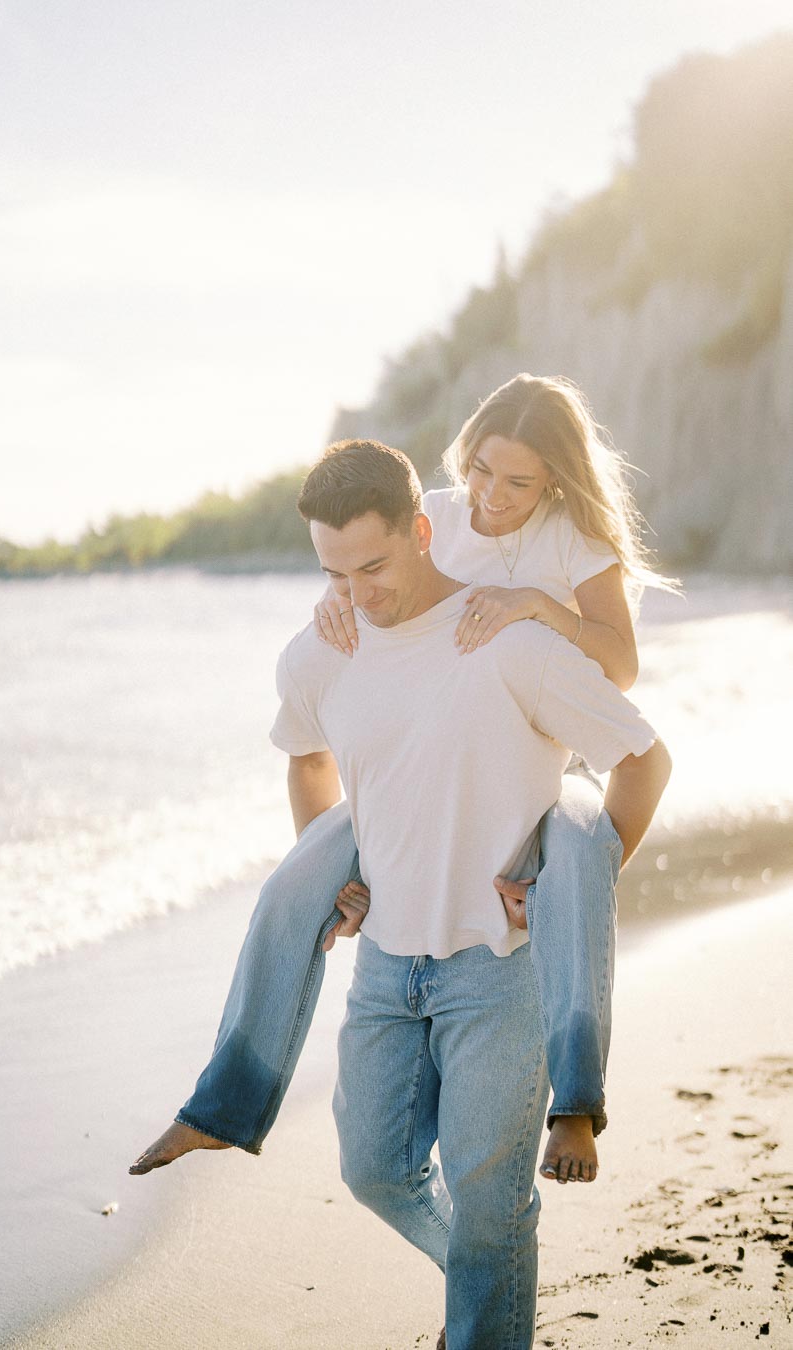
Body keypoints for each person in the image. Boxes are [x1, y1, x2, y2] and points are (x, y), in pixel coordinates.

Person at [130, 375, 674, 1185]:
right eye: (482, 468)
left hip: (545, 752)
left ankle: (577, 1105)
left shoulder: (569, 538)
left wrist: (532, 605)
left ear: (552, 481)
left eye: (517, 482)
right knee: (294, 882)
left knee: (582, 857)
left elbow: (622, 666)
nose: (491, 495)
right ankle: (225, 1102)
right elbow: (370, 559)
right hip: (421, 760)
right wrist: (336, 596)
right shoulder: (443, 513)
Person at [193, 438, 672, 1347]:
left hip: (499, 977)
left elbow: (644, 761)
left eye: (373, 566)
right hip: (385, 972)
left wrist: (577, 888)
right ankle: (493, 1277)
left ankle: (489, 1297)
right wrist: (338, 873)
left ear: (421, 531)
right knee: (375, 1171)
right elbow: (307, 755)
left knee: (492, 1208)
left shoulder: (506, 644)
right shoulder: (321, 653)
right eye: (335, 573)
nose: (358, 595)